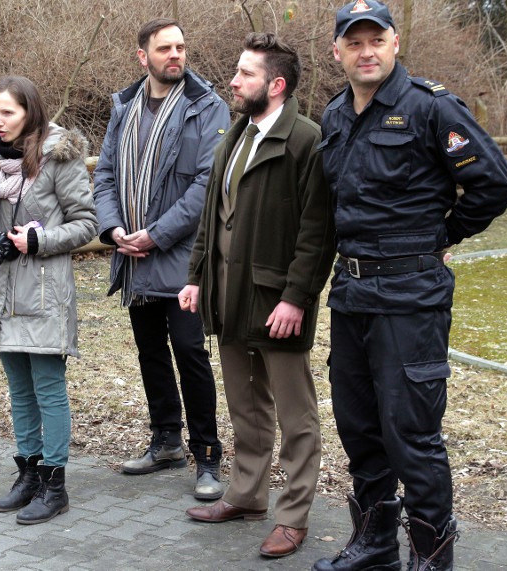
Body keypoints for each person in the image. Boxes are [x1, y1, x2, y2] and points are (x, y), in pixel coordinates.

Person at [312, 3, 507, 570]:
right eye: (354, 44)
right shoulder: (335, 117)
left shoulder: (430, 108)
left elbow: (495, 183)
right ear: (338, 53)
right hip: (351, 294)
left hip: (410, 296)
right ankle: (376, 544)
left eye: (376, 40)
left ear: (395, 44)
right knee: (359, 426)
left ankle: (431, 556)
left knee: (412, 433)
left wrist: (442, 233)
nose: (366, 51)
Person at [178, 33, 335, 559]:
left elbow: (317, 231)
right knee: (245, 406)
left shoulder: (306, 141)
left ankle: (293, 517)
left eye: (245, 73)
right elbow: (210, 216)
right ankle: (246, 496)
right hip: (229, 295)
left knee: (296, 417)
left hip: (276, 303)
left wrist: (296, 297)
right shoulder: (235, 135)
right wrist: (198, 276)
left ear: (277, 84)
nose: (234, 80)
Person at [92, 18, 230, 500]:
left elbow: (206, 186)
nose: (176, 55)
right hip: (132, 255)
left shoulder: (207, 106)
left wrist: (156, 234)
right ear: (142, 56)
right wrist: (113, 231)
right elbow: (106, 173)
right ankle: (166, 440)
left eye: (181, 47)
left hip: (183, 259)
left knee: (191, 354)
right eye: (165, 48)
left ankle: (207, 456)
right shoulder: (124, 106)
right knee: (150, 353)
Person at [0, 76, 97, 525]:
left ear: (30, 112)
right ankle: (28, 474)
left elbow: (86, 222)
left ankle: (55, 485)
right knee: (19, 391)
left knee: (48, 390)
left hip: (43, 290)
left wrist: (40, 239)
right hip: (2, 292)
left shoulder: (60, 157)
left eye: (8, 113)